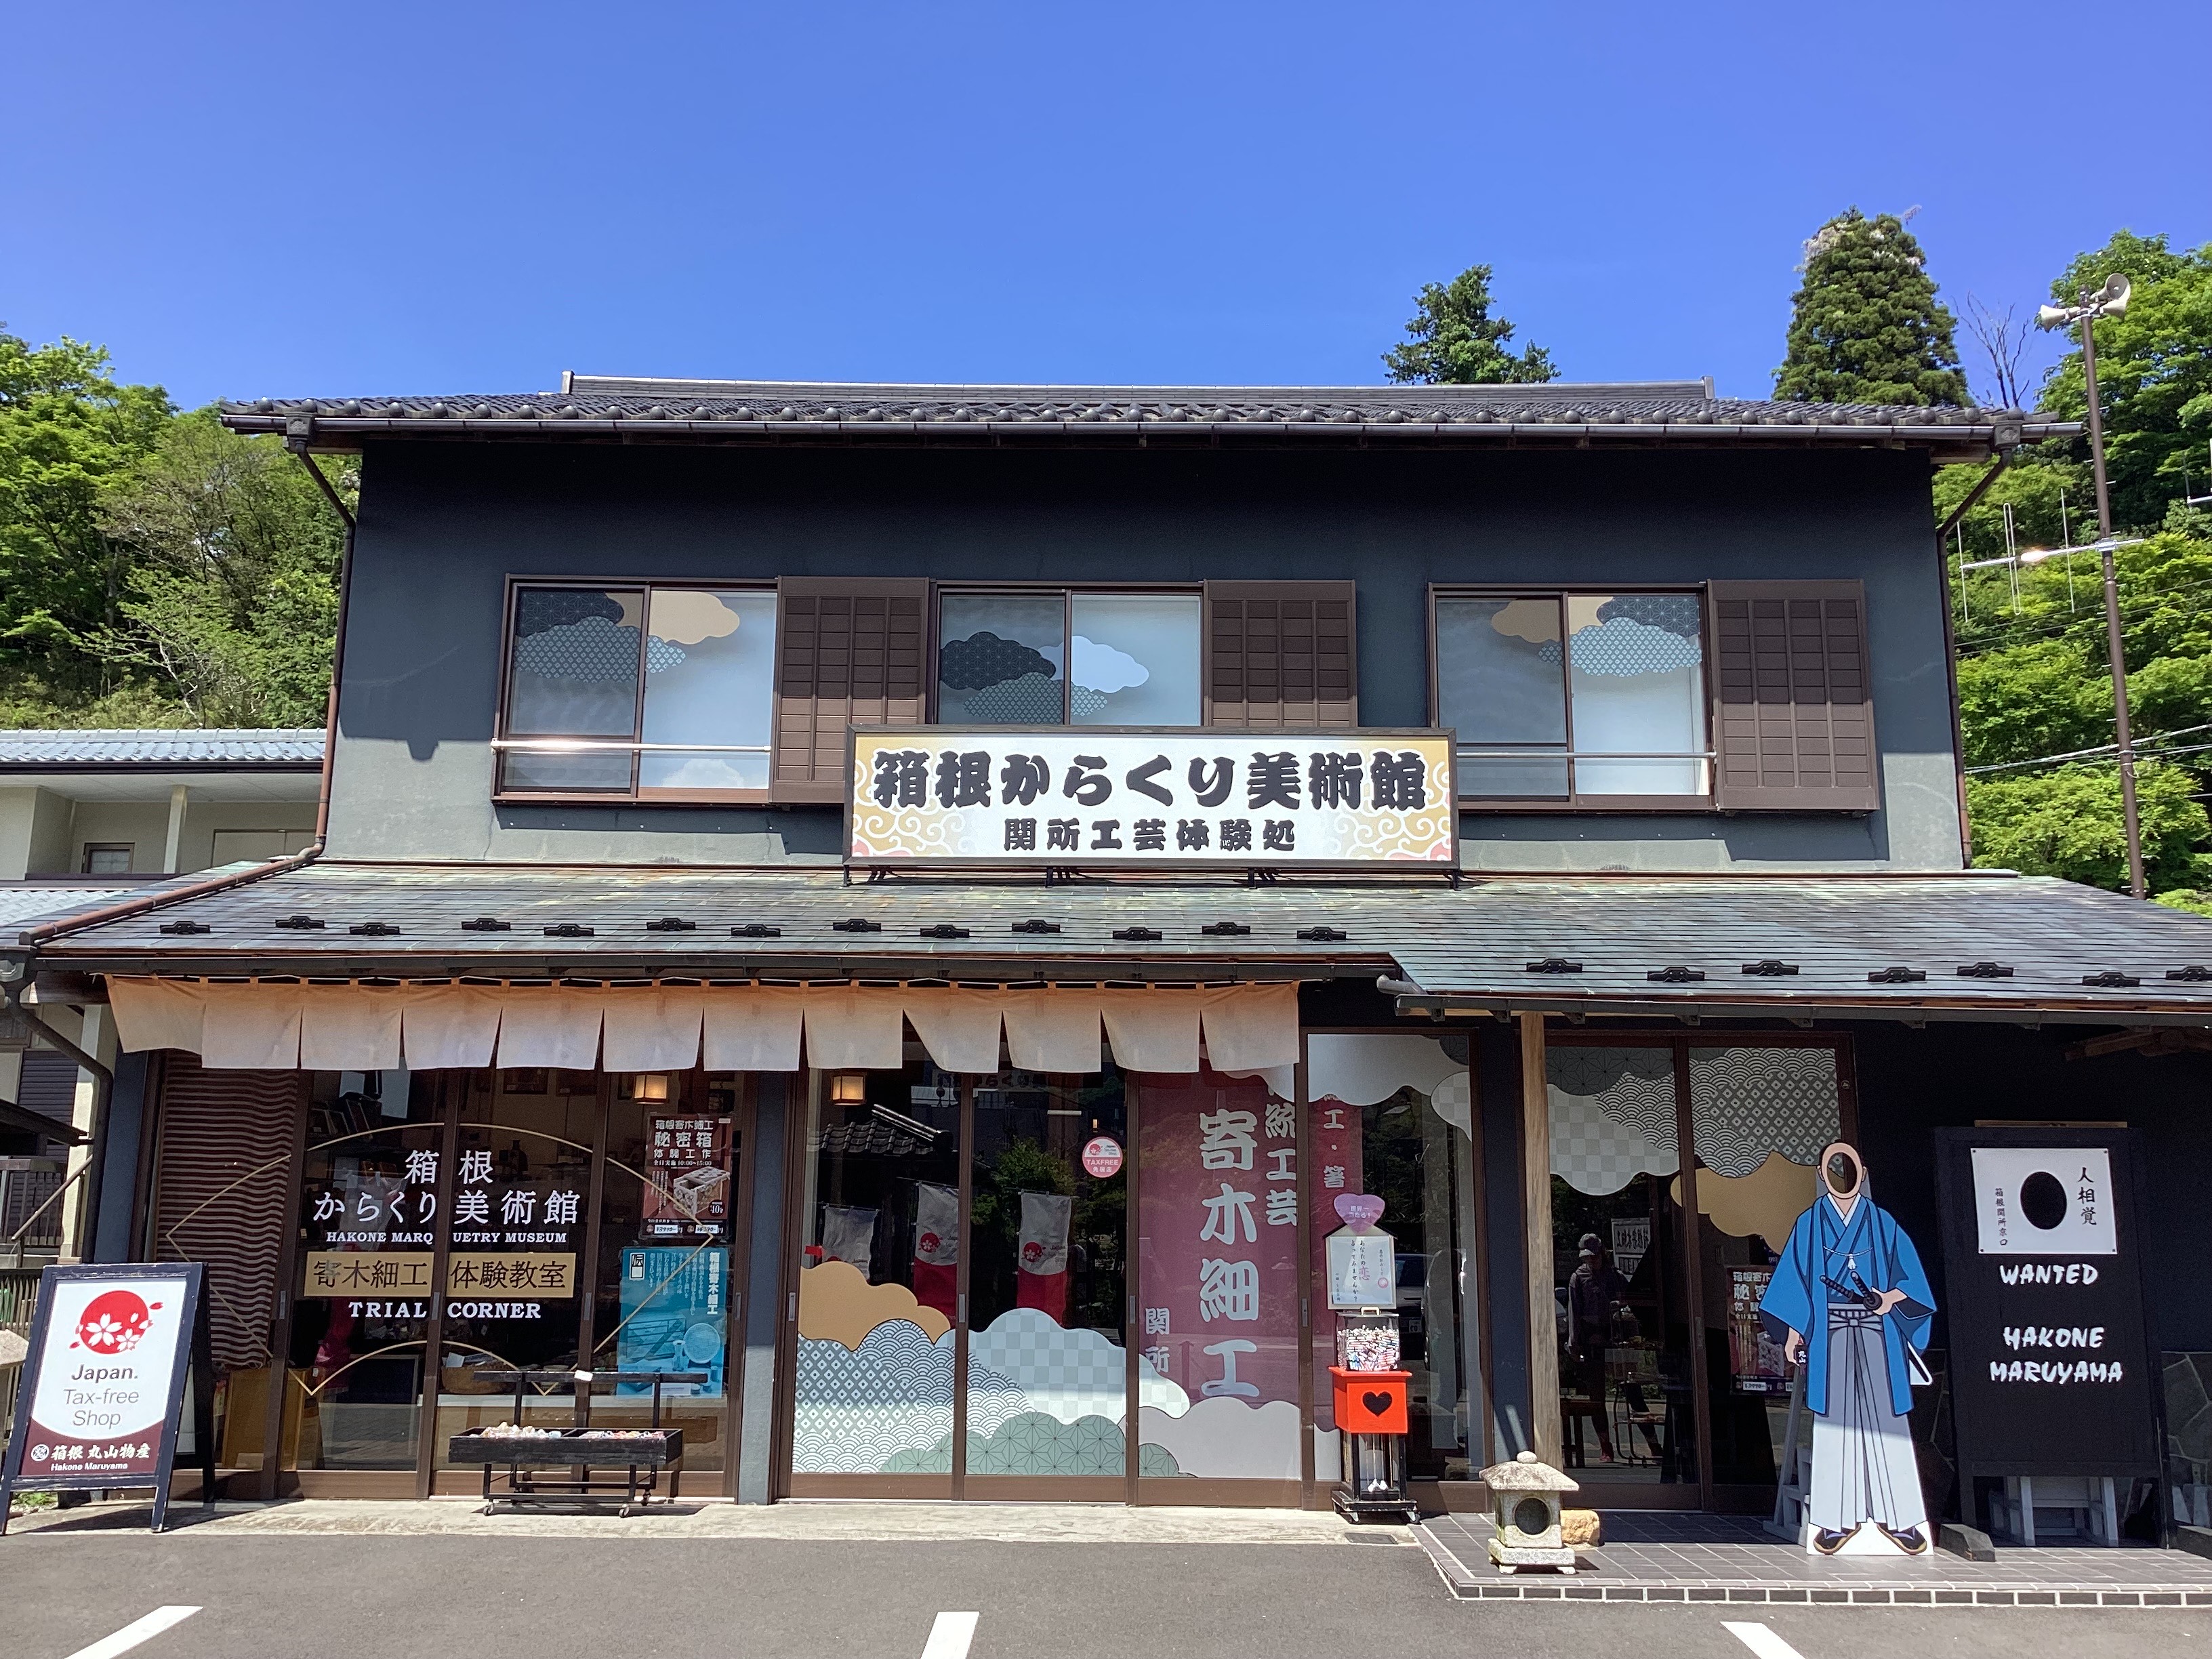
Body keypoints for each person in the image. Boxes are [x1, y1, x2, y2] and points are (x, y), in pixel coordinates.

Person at [1759, 1141, 1935, 1555]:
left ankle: (1903, 1519)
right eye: (1834, 1168)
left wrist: (1888, 1299)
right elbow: (1794, 1281)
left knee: (1885, 1422)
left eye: (1850, 1166)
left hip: (1877, 1329)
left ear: (1864, 1171)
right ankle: (1836, 1520)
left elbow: (1912, 1284)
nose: (1843, 1176)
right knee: (1836, 1424)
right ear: (1821, 1176)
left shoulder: (1882, 1223)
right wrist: (1793, 1333)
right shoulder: (1810, 1224)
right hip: (1831, 1330)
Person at [1565, 1233, 1629, 1462]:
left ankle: (1652, 1443)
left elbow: (1629, 1303)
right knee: (1596, 1397)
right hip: (1591, 1339)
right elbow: (1574, 1313)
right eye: (1587, 1257)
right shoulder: (1578, 1277)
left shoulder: (1615, 1277)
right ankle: (1606, 1447)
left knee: (1632, 1389)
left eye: (1594, 1256)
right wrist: (1574, 1343)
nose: (1591, 1261)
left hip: (1615, 1337)